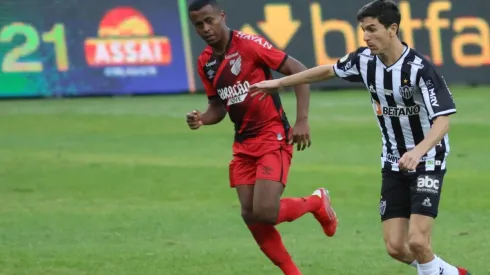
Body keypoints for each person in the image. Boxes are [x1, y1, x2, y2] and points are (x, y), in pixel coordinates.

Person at [247, 1, 471, 274]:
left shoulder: (419, 68)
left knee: (417, 240)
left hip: (427, 161)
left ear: (392, 29)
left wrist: (418, 152)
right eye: (363, 30)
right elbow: (328, 70)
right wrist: (280, 83)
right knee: (396, 247)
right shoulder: (364, 61)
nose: (366, 36)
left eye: (372, 29)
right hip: (392, 162)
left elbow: (442, 121)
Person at [185, 1, 338, 274]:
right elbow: (218, 107)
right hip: (243, 144)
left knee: (265, 212)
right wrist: (201, 119)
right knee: (250, 215)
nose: (206, 28)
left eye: (210, 20)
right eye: (199, 24)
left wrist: (302, 119)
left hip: (272, 135)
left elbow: (298, 70)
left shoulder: (249, 45)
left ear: (222, 16)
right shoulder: (205, 62)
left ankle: (317, 202)